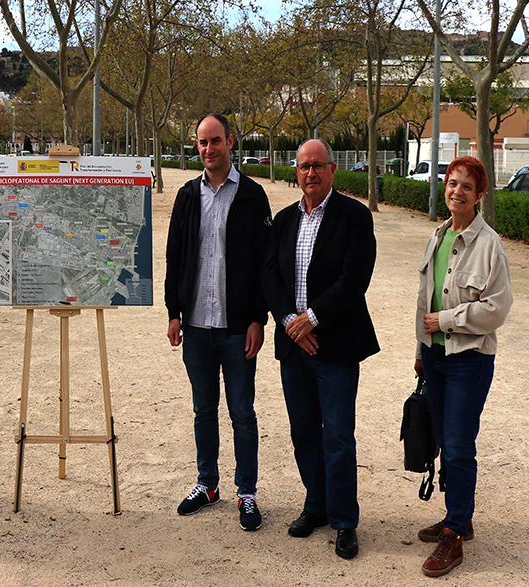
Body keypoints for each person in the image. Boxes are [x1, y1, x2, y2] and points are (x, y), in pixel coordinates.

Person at [261, 138, 380, 559]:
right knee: (304, 434)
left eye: (317, 166)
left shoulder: (354, 217)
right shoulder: (283, 220)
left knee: (339, 437)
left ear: (332, 169)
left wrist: (309, 319)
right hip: (294, 348)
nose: (310, 173)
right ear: (296, 171)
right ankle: (317, 505)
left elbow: (354, 280)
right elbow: (269, 276)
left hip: (335, 346)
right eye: (303, 166)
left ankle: (345, 520)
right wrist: (288, 323)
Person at [165, 113, 272, 531]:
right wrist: (173, 313)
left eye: (215, 141)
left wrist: (257, 319)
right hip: (195, 325)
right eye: (202, 143)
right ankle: (208, 484)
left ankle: (247, 492)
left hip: (236, 326)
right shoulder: (188, 196)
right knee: (202, 410)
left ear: (230, 142)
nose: (209, 149)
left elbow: (265, 264)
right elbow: (176, 256)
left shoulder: (252, 195)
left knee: (242, 412)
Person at [414, 156, 512, 577]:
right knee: (442, 439)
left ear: (479, 195)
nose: (456, 191)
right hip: (435, 358)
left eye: (466, 187)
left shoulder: (489, 245)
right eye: (452, 183)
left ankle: (454, 535)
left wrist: (448, 321)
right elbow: (425, 299)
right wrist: (421, 348)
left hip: (469, 361)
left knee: (458, 446)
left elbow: (497, 308)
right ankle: (461, 516)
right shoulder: (437, 236)